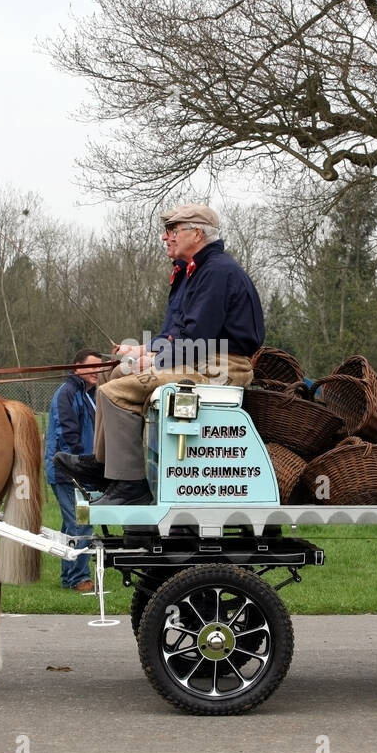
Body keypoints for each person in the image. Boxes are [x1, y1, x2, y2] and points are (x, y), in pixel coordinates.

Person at [56, 204, 265, 504]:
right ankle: (104, 466)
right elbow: (174, 333)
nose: (166, 238)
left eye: (173, 231)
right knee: (110, 372)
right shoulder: (193, 272)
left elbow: (196, 340)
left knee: (117, 391)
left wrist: (153, 360)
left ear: (197, 233)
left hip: (220, 366)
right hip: (198, 358)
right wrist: (140, 350)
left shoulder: (216, 272)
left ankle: (131, 485)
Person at [45, 349, 105, 590]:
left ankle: (69, 577)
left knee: (71, 525)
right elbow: (67, 434)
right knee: (82, 523)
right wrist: (81, 467)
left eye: (100, 368)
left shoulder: (89, 394)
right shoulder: (67, 393)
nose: (96, 372)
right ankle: (80, 579)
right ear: (77, 368)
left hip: (80, 470)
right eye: (91, 367)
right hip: (66, 471)